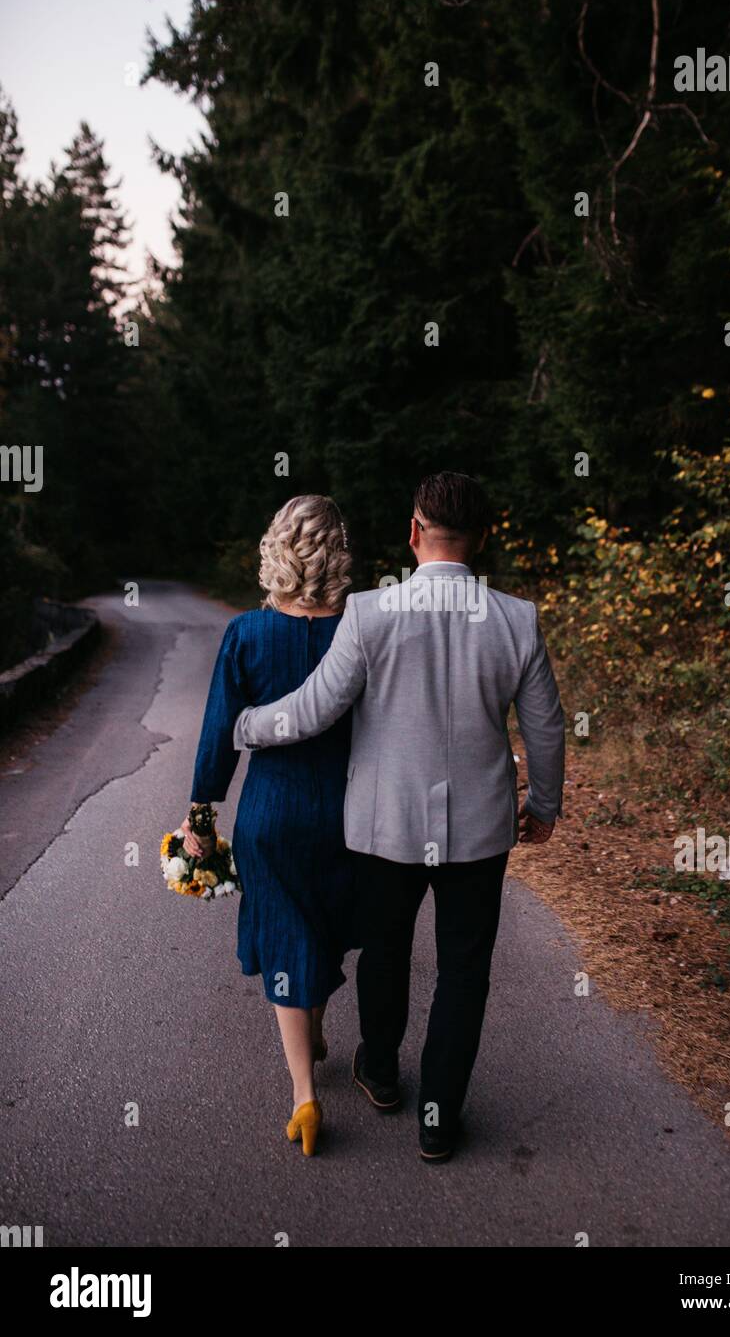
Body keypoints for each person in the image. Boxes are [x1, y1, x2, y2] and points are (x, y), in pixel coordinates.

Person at [234, 471, 565, 1162]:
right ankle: (439, 1121)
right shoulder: (517, 619)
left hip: (386, 827)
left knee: (387, 950)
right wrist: (543, 806)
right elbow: (547, 731)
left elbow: (315, 707)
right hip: (479, 830)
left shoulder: (371, 613)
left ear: (414, 533)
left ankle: (380, 1072)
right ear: (483, 538)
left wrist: (246, 725)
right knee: (464, 969)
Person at [181, 495, 355, 1158]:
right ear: (338, 549)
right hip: (346, 813)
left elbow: (219, 732)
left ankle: (304, 1094)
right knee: (327, 927)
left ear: (276, 548)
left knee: (287, 937)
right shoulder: (360, 628)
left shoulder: (246, 636)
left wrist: (201, 811)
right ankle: (313, 1030)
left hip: (270, 813)